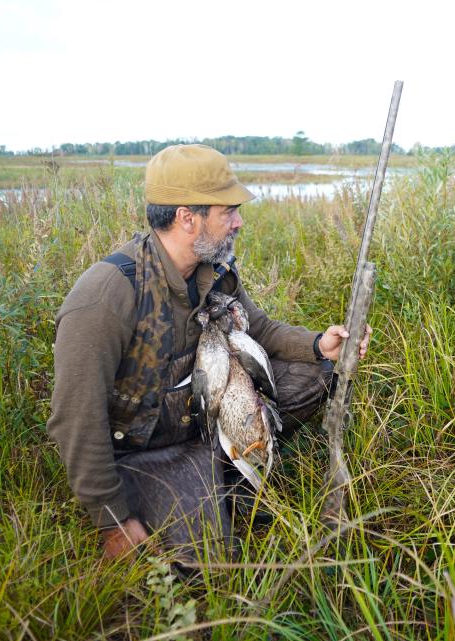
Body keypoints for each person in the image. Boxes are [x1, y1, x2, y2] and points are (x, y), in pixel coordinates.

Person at [46, 144, 371, 562]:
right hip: (146, 452)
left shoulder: (212, 272)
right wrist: (113, 521)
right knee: (213, 563)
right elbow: (77, 418)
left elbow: (263, 329)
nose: (238, 222)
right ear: (187, 218)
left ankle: (232, 462)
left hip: (204, 421)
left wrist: (319, 345)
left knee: (320, 372)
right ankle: (199, 480)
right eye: (228, 212)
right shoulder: (107, 297)